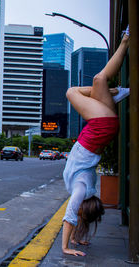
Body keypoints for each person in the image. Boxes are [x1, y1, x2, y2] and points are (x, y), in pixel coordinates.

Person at [61, 26, 130, 257]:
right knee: (71, 92)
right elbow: (70, 214)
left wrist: (76, 237)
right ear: (83, 207)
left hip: (104, 127)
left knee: (99, 78)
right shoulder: (81, 189)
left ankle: (125, 43)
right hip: (99, 128)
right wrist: (65, 247)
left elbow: (79, 216)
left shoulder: (89, 189)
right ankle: (112, 93)